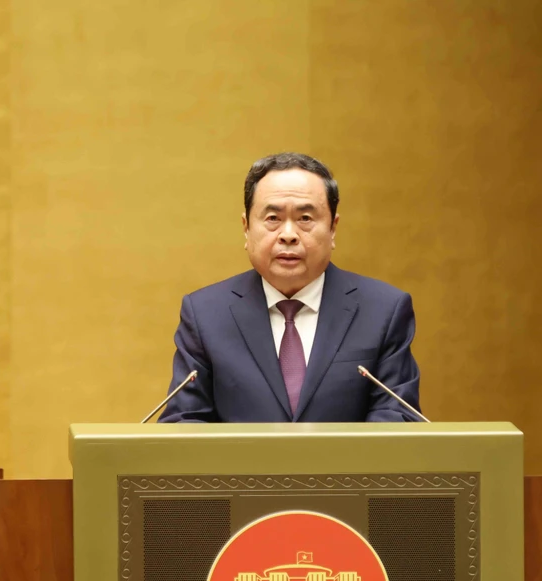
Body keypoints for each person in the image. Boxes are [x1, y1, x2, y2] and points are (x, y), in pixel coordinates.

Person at [159, 152, 422, 423]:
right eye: (273, 218)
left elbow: (396, 418)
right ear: (246, 228)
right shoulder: (205, 315)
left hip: (344, 466)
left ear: (333, 229)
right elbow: (184, 422)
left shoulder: (383, 311)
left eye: (305, 218)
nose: (288, 234)